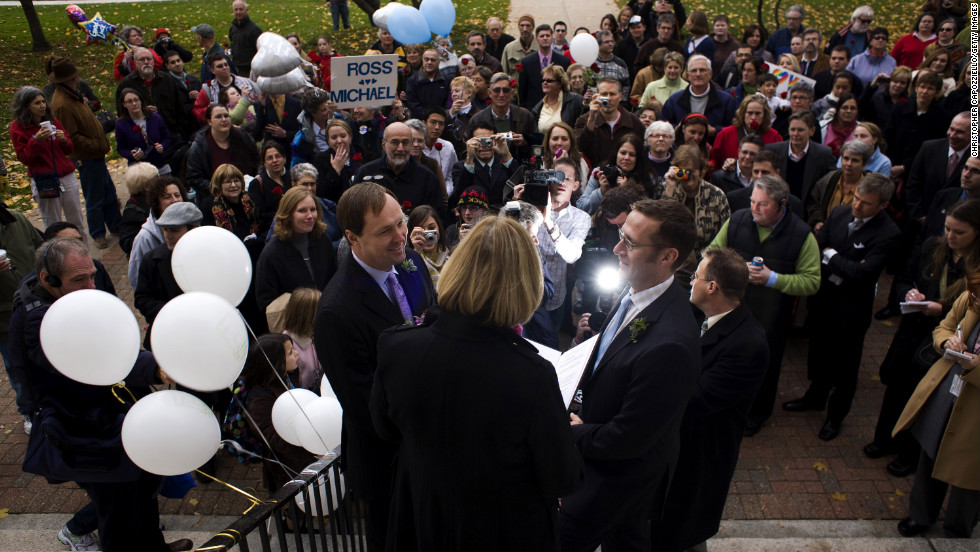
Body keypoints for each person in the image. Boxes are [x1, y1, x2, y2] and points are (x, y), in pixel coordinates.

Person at [371, 214, 581, 550]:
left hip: (423, 520)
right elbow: (561, 477)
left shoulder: (396, 346)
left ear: (457, 269)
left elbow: (385, 430)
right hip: (501, 530)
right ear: (526, 284)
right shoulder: (532, 374)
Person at [9, 238, 191, 552]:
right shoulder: (40, 322)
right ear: (47, 279)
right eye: (80, 279)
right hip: (82, 431)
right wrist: (156, 367)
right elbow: (97, 359)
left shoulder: (63, 297)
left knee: (143, 486)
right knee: (119, 508)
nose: (92, 286)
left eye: (92, 275)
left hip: (109, 416)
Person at [561, 198, 700, 551]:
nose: (618, 248)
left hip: (613, 482)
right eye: (622, 236)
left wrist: (575, 433)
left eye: (632, 243)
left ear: (668, 256)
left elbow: (628, 438)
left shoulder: (671, 345)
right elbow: (621, 356)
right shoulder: (637, 286)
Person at [314, 182, 435, 550]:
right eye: (386, 230)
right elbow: (365, 406)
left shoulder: (411, 265)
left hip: (429, 454)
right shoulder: (337, 312)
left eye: (400, 223)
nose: (401, 236)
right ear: (352, 237)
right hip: (388, 464)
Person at [653, 248, 769, 551]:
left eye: (696, 277)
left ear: (712, 287)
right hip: (675, 450)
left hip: (698, 458)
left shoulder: (748, 345)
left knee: (681, 535)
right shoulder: (696, 313)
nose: (691, 281)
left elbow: (694, 401)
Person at [866, 199, 978, 478]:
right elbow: (904, 278)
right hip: (912, 330)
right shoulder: (932, 246)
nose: (950, 236)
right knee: (897, 386)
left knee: (926, 396)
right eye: (947, 229)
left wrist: (942, 310)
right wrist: (908, 294)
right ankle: (885, 439)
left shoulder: (976, 267)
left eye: (959, 232)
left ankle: (909, 454)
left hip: (945, 340)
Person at [784, 174, 901, 440]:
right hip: (824, 299)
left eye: (865, 203)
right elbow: (817, 244)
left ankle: (835, 417)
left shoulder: (889, 234)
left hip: (852, 309)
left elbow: (863, 274)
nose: (857, 206)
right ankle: (815, 397)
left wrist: (832, 255)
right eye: (857, 198)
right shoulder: (839, 212)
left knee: (846, 367)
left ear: (882, 205)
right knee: (819, 351)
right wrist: (841, 261)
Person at [708, 175, 821, 436]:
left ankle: (757, 413)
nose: (754, 209)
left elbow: (812, 282)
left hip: (772, 316)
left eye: (763, 204)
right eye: (752, 202)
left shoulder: (802, 235)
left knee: (764, 366)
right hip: (731, 309)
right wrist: (735, 268)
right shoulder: (737, 220)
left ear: (782, 204)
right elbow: (713, 253)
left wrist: (773, 278)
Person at [893, 272, 979, 539]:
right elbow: (943, 327)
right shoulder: (969, 299)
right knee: (932, 450)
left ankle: (958, 528)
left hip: (975, 408)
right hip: (949, 389)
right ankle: (920, 515)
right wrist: (946, 341)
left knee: (970, 471)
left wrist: (976, 367)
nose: (974, 299)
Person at [47, 56, 122, 249]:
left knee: (108, 192)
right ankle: (98, 233)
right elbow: (72, 137)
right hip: (87, 157)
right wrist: (96, 144)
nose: (79, 76)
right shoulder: (62, 103)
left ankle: (115, 224)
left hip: (95, 154)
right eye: (76, 74)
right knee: (94, 197)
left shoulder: (72, 95)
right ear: (71, 78)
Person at [235, 334, 316, 501]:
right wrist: (310, 452)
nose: (296, 353)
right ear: (274, 362)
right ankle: (292, 524)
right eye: (289, 352)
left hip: (301, 449)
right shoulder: (259, 401)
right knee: (297, 501)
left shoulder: (286, 374)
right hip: (287, 464)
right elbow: (274, 439)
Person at [8, 86, 85, 235]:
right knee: (53, 225)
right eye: (37, 103)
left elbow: (69, 149)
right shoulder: (17, 127)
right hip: (44, 180)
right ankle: (57, 256)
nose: (43, 105)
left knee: (76, 221)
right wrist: (36, 140)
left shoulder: (52, 120)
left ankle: (84, 254)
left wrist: (64, 140)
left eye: (43, 101)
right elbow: (24, 157)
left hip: (66, 176)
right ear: (25, 106)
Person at [650, 144, 731, 281]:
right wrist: (669, 188)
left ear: (701, 171)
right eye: (683, 171)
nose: (687, 176)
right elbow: (658, 224)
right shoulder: (665, 190)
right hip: (673, 264)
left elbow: (727, 233)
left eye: (692, 171)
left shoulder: (716, 195)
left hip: (707, 264)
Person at [255, 186, 336, 314]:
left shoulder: (322, 240)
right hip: (293, 324)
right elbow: (266, 302)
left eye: (313, 209)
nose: (310, 216)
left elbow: (334, 279)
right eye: (302, 210)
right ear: (288, 215)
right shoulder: (272, 254)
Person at [134, 202, 203, 347]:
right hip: (167, 336)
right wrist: (173, 311)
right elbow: (142, 299)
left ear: (193, 229)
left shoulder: (207, 257)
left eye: (174, 230)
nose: (168, 235)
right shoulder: (151, 260)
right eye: (165, 230)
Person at [354, 122, 445, 220]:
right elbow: (354, 212)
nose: (400, 148)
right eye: (395, 142)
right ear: (384, 144)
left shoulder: (427, 178)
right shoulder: (366, 173)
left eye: (405, 143)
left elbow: (437, 218)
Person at [115, 47, 188, 146]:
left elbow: (179, 107)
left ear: (153, 61)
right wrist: (142, 111)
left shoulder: (167, 79)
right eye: (142, 59)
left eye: (149, 59)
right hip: (143, 138)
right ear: (135, 63)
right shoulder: (126, 84)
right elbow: (121, 112)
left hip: (171, 134)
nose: (146, 62)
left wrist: (179, 132)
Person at [185, 104, 259, 199]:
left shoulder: (243, 136)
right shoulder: (200, 146)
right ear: (209, 121)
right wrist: (219, 189)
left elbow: (258, 160)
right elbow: (194, 178)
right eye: (218, 117)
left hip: (248, 194)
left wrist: (257, 177)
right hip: (216, 199)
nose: (224, 119)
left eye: (226, 115)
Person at [763, 112, 838, 204]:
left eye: (800, 130)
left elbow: (833, 181)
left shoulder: (823, 154)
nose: (795, 134)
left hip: (808, 211)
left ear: (812, 131)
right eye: (792, 129)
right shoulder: (773, 151)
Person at [127, 176, 186, 287]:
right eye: (167, 197)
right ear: (157, 202)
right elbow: (137, 278)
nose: (175, 200)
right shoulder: (144, 237)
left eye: (177, 195)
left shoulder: (193, 225)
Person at [574, 77, 644, 169]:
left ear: (620, 96)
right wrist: (591, 120)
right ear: (596, 96)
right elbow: (579, 150)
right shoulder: (583, 120)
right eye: (604, 94)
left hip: (625, 177)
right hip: (594, 176)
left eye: (612, 94)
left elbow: (639, 155)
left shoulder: (634, 122)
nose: (608, 98)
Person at [661, 55, 737, 139]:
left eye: (702, 70)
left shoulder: (726, 100)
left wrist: (716, 130)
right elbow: (663, 126)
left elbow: (734, 129)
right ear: (688, 75)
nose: (698, 74)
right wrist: (679, 128)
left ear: (710, 73)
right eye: (694, 71)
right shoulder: (674, 100)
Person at [577, 134, 651, 214]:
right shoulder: (600, 172)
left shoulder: (644, 176)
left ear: (638, 158)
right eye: (623, 153)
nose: (626, 157)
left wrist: (627, 190)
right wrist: (601, 192)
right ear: (616, 153)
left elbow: (647, 213)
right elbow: (581, 207)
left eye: (632, 154)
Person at [807, 139, 872, 226]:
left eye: (855, 160)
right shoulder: (830, 178)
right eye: (846, 158)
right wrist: (817, 221)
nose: (849, 164)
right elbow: (813, 202)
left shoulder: (869, 186)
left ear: (864, 164)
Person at [710, 95, 782, 173]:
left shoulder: (774, 137)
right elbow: (714, 163)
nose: (753, 117)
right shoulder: (725, 134)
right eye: (750, 113)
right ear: (743, 113)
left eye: (758, 113)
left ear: (764, 115)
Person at [113, 88, 171, 174]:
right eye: (129, 101)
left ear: (141, 101)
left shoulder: (155, 117)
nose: (134, 103)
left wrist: (162, 146)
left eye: (136, 100)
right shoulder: (121, 124)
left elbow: (167, 137)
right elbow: (121, 149)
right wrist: (131, 154)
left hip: (161, 165)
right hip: (140, 170)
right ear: (124, 104)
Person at [191, 52, 256, 123]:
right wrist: (208, 109)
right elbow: (196, 110)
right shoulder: (208, 89)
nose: (224, 68)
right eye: (220, 66)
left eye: (226, 64)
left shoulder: (246, 82)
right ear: (212, 70)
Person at [518, 25, 571, 110]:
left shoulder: (563, 62)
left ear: (552, 38)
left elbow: (566, 88)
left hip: (557, 108)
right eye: (542, 36)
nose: (545, 38)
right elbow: (522, 90)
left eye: (548, 35)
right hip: (533, 109)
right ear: (536, 39)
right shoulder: (526, 62)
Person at [249, 141, 292, 237]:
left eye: (278, 156)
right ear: (264, 162)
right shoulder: (257, 184)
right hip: (271, 232)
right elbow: (259, 214)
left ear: (284, 158)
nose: (274, 160)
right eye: (269, 158)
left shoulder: (294, 177)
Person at [117, 162, 159, 256]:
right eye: (156, 179)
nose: (160, 181)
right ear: (146, 187)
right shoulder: (133, 211)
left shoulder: (150, 200)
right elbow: (126, 243)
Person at [529, 65, 582, 133]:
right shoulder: (537, 108)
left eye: (549, 81)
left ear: (560, 83)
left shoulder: (575, 100)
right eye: (543, 80)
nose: (545, 83)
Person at [407, 205, 450, 286]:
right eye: (421, 229)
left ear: (439, 229)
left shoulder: (452, 255)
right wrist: (416, 253)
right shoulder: (407, 260)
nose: (427, 234)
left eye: (431, 227)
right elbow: (410, 285)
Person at [858, 65, 911, 130]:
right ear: (890, 81)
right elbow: (861, 107)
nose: (898, 85)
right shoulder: (877, 99)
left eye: (902, 83)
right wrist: (872, 87)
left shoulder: (908, 102)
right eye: (895, 81)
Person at [420, 107, 458, 198]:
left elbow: (451, 175)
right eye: (433, 122)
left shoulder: (448, 147)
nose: (437, 127)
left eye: (441, 124)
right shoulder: (415, 146)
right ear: (424, 123)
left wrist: (445, 193)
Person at [405, 49, 450, 119]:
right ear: (422, 60)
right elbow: (412, 103)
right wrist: (428, 116)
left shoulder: (445, 80)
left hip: (440, 120)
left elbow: (447, 102)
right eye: (426, 59)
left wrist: (438, 115)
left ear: (439, 62)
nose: (429, 62)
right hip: (419, 121)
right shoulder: (412, 81)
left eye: (433, 60)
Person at [543, 121, 590, 186]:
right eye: (555, 139)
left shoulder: (582, 162)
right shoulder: (539, 162)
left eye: (564, 139)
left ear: (571, 142)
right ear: (548, 141)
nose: (559, 143)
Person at [228, 0, 261, 76]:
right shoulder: (233, 28)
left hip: (250, 70)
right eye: (236, 10)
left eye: (241, 9)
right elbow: (233, 43)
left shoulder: (254, 30)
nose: (238, 12)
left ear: (246, 10)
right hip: (236, 68)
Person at [821, 92, 860, 157]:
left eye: (852, 108)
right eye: (845, 108)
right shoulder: (823, 127)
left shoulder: (862, 130)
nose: (849, 111)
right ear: (838, 110)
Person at [614, 15, 650, 82]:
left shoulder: (649, 45)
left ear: (644, 27)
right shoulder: (622, 45)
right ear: (630, 29)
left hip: (646, 81)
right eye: (633, 28)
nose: (636, 30)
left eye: (638, 27)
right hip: (627, 81)